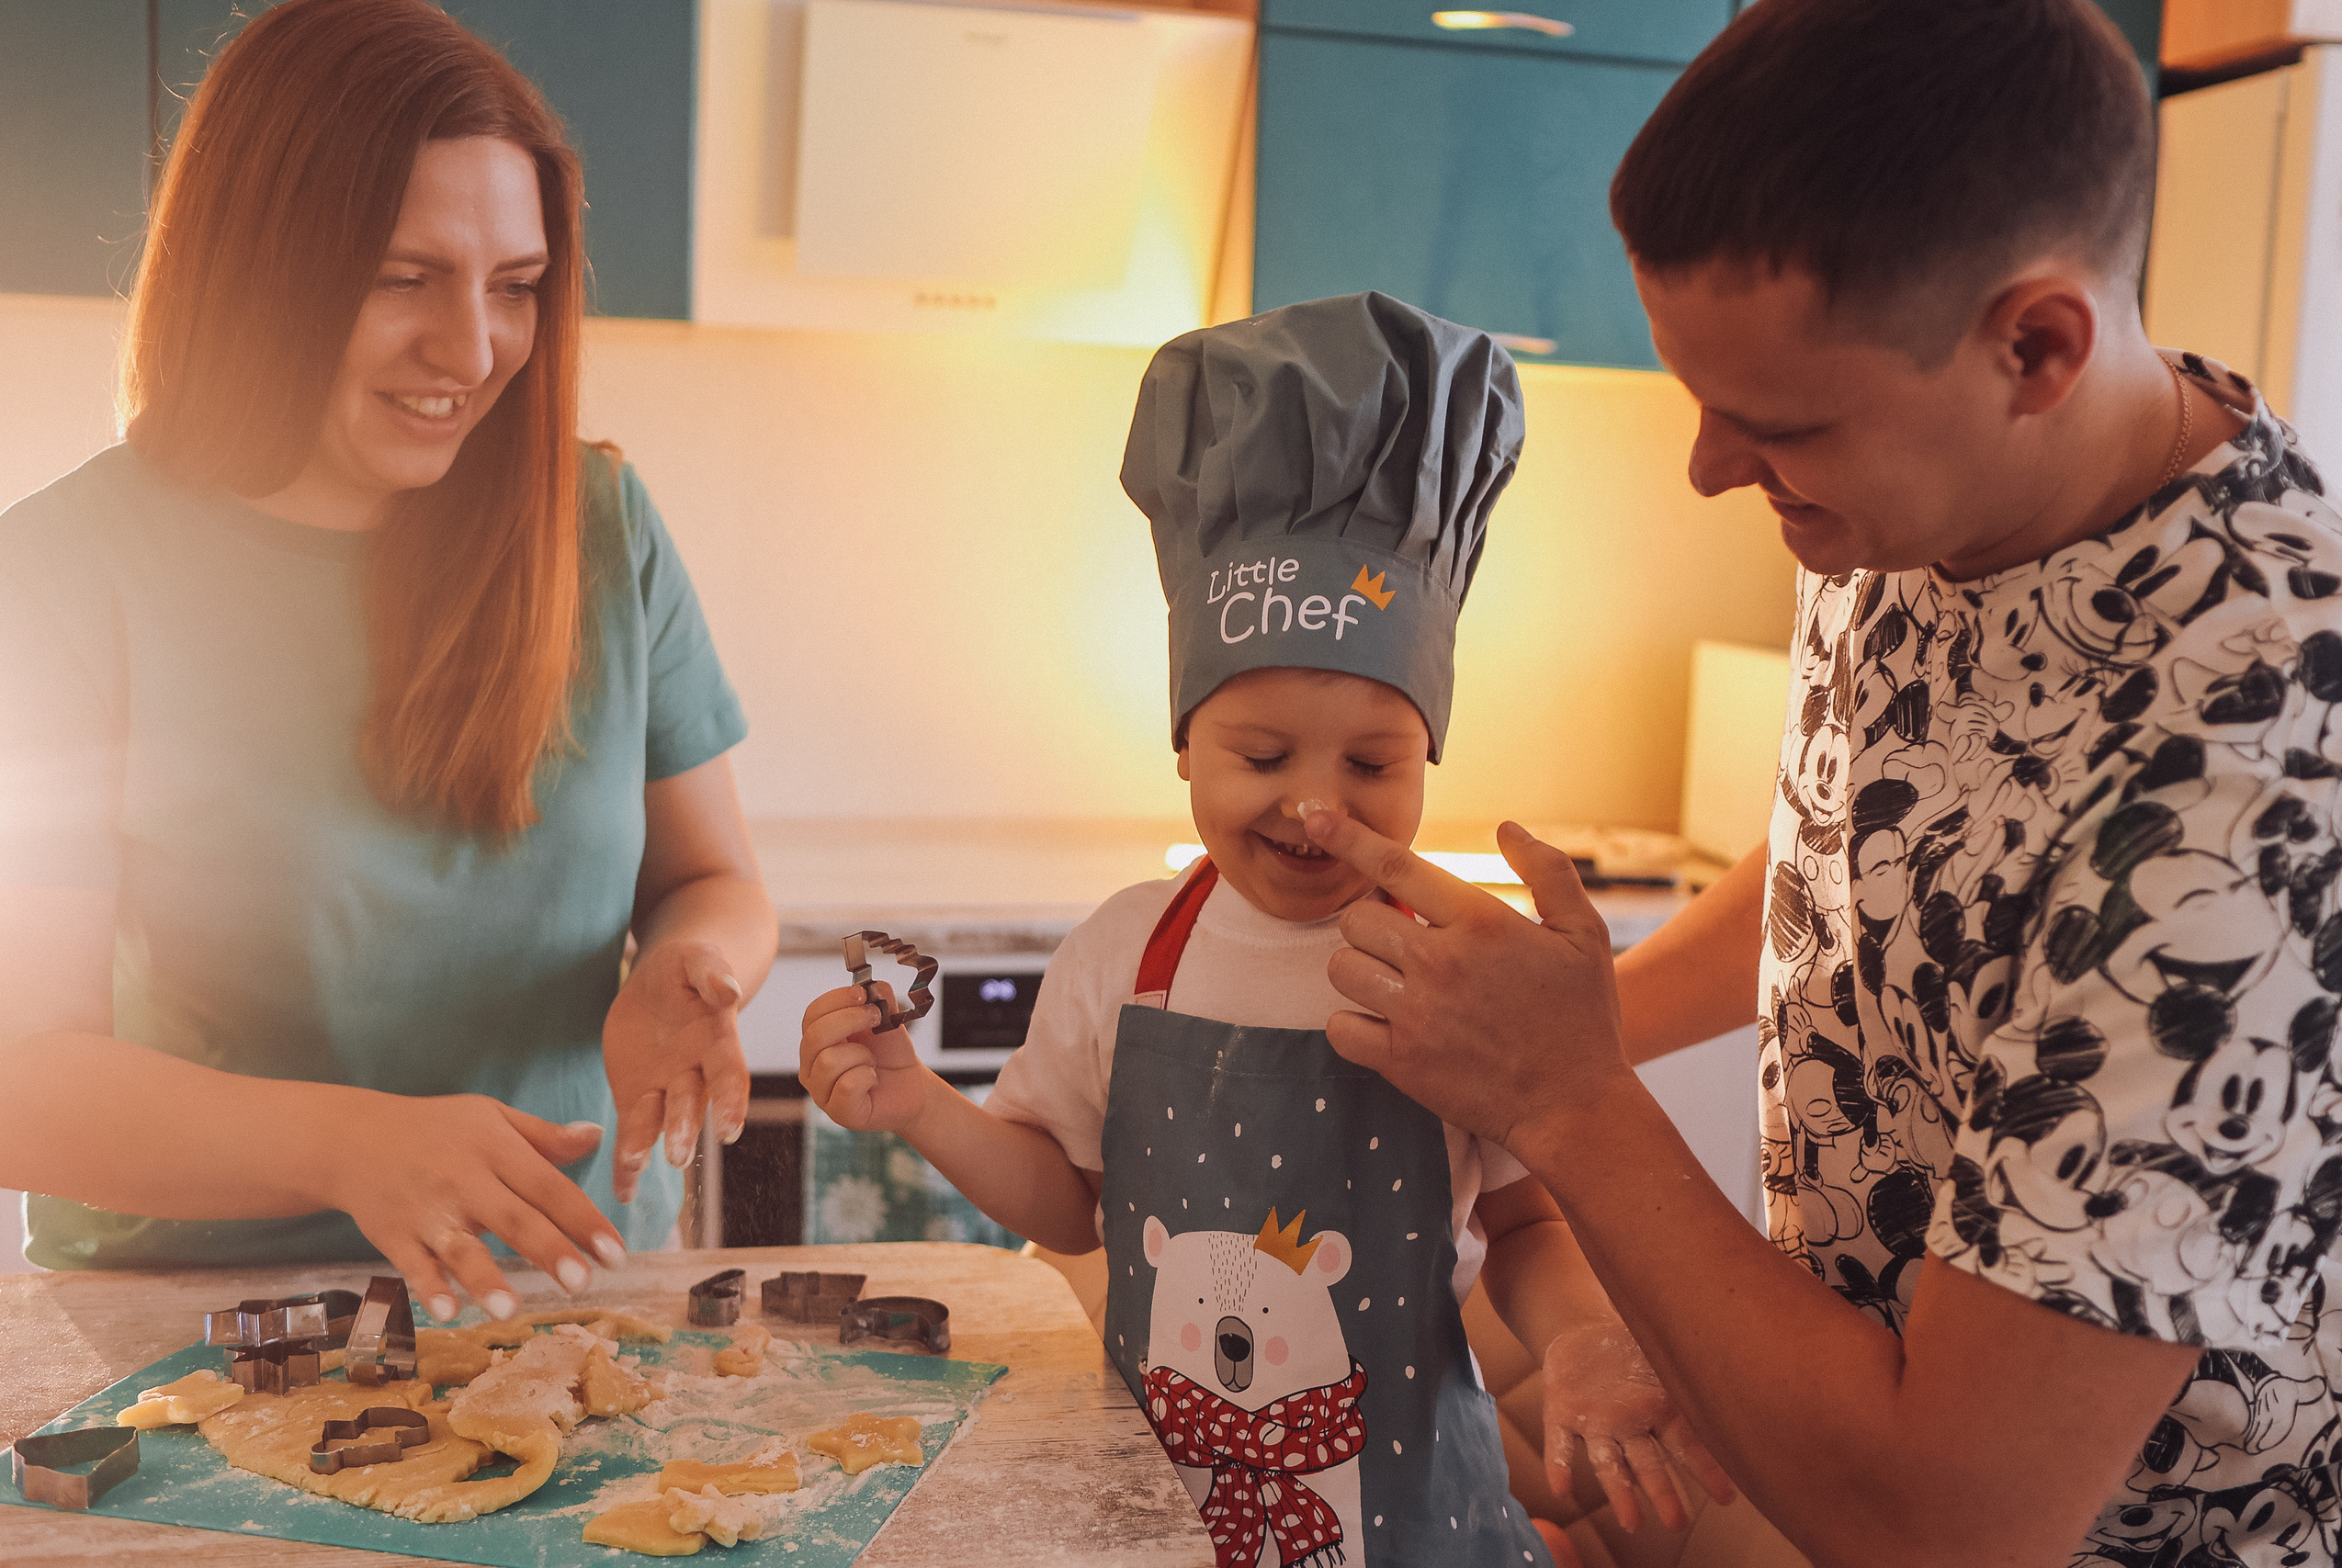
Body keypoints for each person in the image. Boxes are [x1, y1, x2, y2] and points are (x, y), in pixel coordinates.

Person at [1291, 1, 2342, 1564]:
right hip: (1830, 1420)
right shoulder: (1937, 496)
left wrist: (1567, 1093)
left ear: (2037, 346)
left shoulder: (2253, 759)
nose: (1710, 469)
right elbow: (1853, 855)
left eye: (1776, 425)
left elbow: (1954, 1526)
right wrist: (1559, 1020)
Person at [799, 292, 1732, 1565]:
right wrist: (919, 1106)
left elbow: (1527, 1226)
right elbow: (1067, 1209)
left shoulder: (1455, 970)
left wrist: (1576, 1337)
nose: (1314, 805)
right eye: (1261, 752)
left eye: (1375, 762)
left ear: (1429, 759)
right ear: (1187, 743)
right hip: (1157, 1510)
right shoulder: (1128, 957)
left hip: (1411, 1525)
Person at [0, 0, 774, 1325]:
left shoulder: (596, 526)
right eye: (401, 278)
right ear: (258, 266)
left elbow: (715, 883)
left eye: (515, 288)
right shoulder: (66, 571)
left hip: (566, 1300)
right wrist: (350, 1145)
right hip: (205, 1328)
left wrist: (687, 973)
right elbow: (18, 1085)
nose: (471, 354)